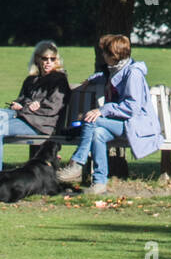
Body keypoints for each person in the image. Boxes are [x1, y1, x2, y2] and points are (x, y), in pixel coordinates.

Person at [57, 34, 161, 194]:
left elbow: (132, 107)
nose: (103, 55)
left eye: (105, 53)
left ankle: (77, 164)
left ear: (113, 55)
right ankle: (99, 183)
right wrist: (91, 79)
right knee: (98, 133)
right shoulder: (116, 69)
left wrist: (103, 110)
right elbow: (107, 77)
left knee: (91, 119)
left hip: (137, 125)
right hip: (123, 125)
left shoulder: (133, 74)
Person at [0, 41, 70, 173]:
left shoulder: (59, 79)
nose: (48, 62)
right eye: (45, 58)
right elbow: (23, 99)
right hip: (26, 118)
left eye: (52, 59)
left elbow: (53, 107)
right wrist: (18, 104)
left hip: (43, 125)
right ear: (37, 59)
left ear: (57, 60)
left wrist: (26, 107)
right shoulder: (31, 80)